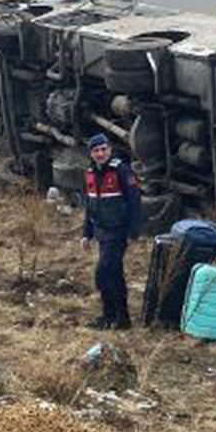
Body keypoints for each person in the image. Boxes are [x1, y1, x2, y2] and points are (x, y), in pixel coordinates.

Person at [80, 133, 142, 330]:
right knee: (114, 274)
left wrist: (133, 232)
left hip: (117, 232)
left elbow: (135, 202)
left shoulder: (122, 171)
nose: (100, 154)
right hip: (101, 232)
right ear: (91, 153)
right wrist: (86, 233)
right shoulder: (90, 173)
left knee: (103, 273)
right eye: (96, 151)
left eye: (103, 149)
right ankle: (119, 319)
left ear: (109, 150)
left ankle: (111, 316)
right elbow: (89, 206)